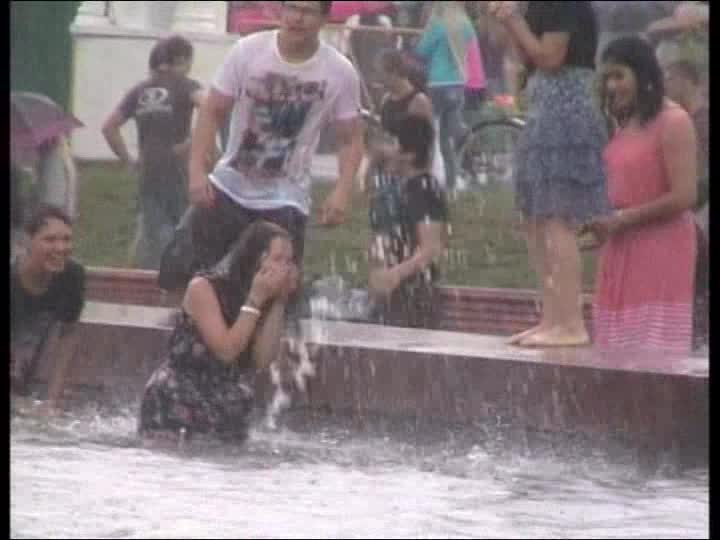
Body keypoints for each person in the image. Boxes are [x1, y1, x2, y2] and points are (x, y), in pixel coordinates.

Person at [157, 1, 364, 314]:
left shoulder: (339, 71)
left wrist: (342, 191)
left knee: (277, 291)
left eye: (307, 11)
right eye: (291, 7)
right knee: (178, 267)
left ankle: (263, 341)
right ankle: (176, 334)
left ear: (324, 18)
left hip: (285, 196)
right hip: (229, 184)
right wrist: (197, 170)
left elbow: (350, 138)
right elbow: (213, 110)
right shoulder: (249, 51)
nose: (297, 18)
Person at [487, 1, 609, 348]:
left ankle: (571, 322)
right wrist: (507, 22)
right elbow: (526, 58)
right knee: (535, 219)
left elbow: (551, 57)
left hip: (567, 110)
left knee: (557, 218)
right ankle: (552, 318)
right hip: (543, 109)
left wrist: (513, 19)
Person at [138, 221, 297, 443]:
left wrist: (279, 301)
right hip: (179, 399)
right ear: (254, 259)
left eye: (289, 262)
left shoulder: (262, 298)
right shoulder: (203, 288)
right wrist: (255, 299)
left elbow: (262, 359)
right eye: (278, 259)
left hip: (226, 403)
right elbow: (226, 351)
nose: (286, 269)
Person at [589, 37, 697, 354]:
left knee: (653, 351)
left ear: (643, 74)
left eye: (619, 75)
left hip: (661, 247)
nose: (611, 85)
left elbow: (685, 196)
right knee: (614, 351)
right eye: (607, 77)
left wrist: (624, 219)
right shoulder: (621, 122)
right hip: (619, 246)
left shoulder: (673, 121)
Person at [102, 36, 205, 270]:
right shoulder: (185, 85)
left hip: (148, 170)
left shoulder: (139, 90)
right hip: (177, 169)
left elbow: (109, 128)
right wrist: (193, 142)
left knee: (153, 231)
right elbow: (209, 107)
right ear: (181, 59)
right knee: (183, 227)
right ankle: (177, 276)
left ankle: (151, 276)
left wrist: (129, 160)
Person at [368, 114, 449, 329]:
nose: (384, 149)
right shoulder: (399, 186)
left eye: (391, 143)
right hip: (394, 295)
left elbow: (431, 249)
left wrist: (394, 275)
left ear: (409, 154)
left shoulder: (424, 189)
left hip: (415, 298)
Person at [11, 205, 86, 407]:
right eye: (50, 240)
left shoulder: (72, 276)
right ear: (26, 242)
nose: (60, 248)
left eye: (66, 239)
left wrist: (52, 400)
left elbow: (68, 334)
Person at [415, 1, 479, 191]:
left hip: (437, 83)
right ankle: (452, 184)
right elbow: (470, 47)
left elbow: (421, 51)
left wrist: (425, 32)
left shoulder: (438, 25)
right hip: (458, 83)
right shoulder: (466, 24)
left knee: (430, 132)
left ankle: (428, 178)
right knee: (446, 138)